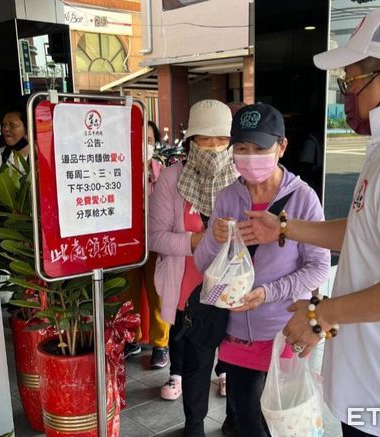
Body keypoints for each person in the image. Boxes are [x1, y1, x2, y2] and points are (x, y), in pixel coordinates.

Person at [238, 6, 380, 437]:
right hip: (379, 388)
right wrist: (286, 227)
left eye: (350, 82)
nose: (345, 95)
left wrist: (321, 315)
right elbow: (367, 230)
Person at [195, 103, 331, 437]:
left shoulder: (303, 199)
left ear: (281, 147)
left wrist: (268, 293)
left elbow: (318, 267)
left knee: (282, 424)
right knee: (248, 421)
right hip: (235, 333)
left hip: (283, 334)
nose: (250, 157)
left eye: (260, 148)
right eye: (241, 148)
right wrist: (213, 239)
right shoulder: (228, 197)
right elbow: (203, 264)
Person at [148, 100, 236, 430]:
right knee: (197, 360)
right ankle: (194, 423)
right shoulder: (172, 179)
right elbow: (155, 238)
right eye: (205, 139)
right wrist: (197, 240)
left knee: (234, 355)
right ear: (190, 141)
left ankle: (234, 418)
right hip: (190, 288)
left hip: (233, 287)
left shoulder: (241, 177)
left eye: (221, 139)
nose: (214, 148)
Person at [123, 120, 170, 369]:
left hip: (156, 241)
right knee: (127, 293)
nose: (145, 144)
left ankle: (161, 344)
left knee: (158, 293)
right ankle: (131, 339)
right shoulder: (119, 170)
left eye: (149, 139)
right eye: (139, 138)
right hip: (128, 242)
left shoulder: (163, 172)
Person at [0, 106, 29, 175]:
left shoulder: (42, 157)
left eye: (12, 125)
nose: (5, 129)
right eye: (4, 124)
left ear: (28, 128)